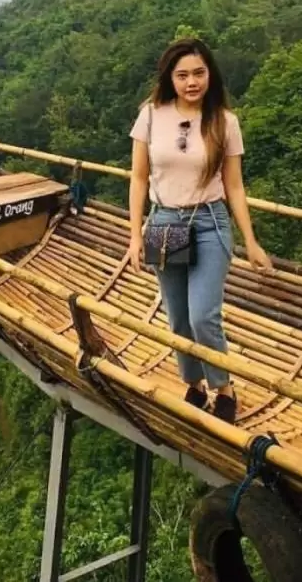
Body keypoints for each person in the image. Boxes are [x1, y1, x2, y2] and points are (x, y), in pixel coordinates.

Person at [126, 37, 272, 424]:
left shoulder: (225, 122)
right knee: (177, 318)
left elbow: (235, 186)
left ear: (210, 74)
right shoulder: (151, 115)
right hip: (164, 221)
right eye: (183, 75)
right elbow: (139, 179)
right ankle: (194, 383)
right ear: (169, 78)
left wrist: (252, 242)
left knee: (203, 315)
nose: (192, 82)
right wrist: (135, 235)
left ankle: (223, 387)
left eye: (199, 73)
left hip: (209, 222)